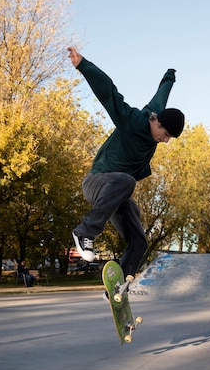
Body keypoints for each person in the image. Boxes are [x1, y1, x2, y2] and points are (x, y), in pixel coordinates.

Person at [68, 46, 185, 295]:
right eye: (165, 135)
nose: (165, 141)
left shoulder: (157, 114)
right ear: (156, 122)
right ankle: (84, 232)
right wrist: (83, 65)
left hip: (116, 193)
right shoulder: (132, 120)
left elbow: (161, 96)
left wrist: (169, 76)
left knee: (139, 240)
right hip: (97, 183)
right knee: (126, 181)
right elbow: (109, 93)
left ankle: (119, 284)